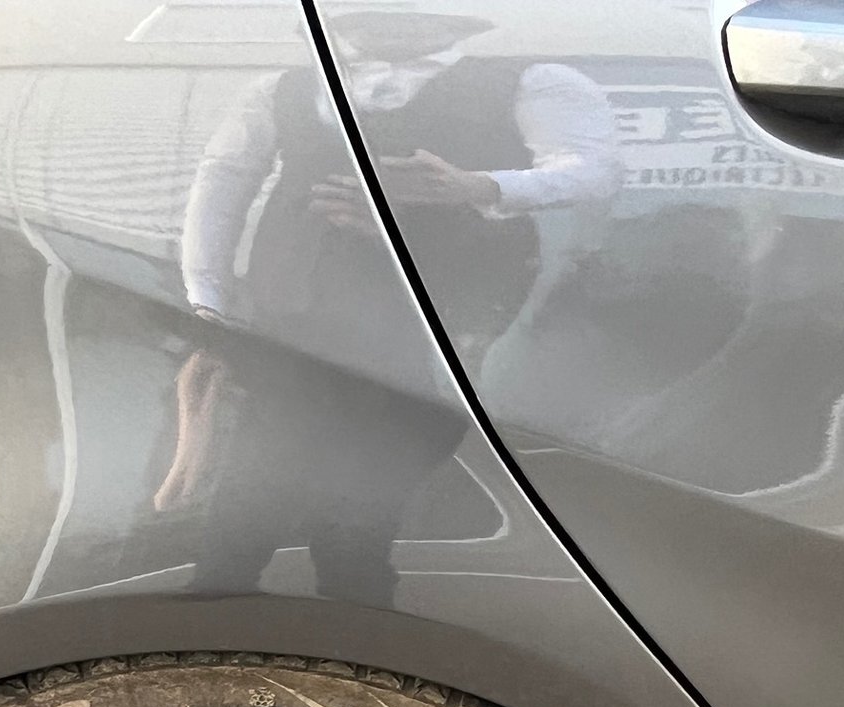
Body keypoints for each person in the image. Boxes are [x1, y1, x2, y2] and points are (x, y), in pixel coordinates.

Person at [164, 6, 621, 602]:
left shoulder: (530, 83)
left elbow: (595, 170)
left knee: (364, 512)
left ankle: (359, 622)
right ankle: (217, 612)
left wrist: (476, 187)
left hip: (436, 330)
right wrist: (208, 302)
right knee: (252, 491)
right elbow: (222, 181)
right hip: (295, 325)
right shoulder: (283, 90)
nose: (385, 24)